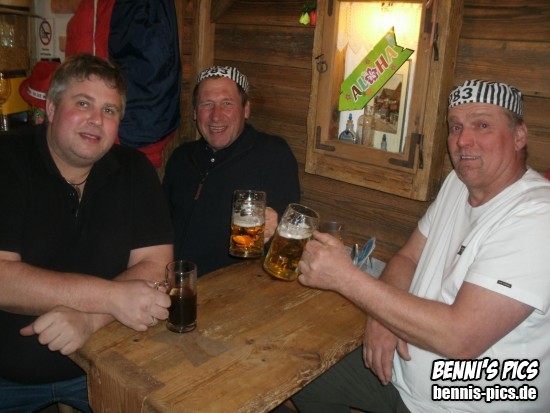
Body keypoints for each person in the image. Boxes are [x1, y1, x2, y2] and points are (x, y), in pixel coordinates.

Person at [291, 80, 550, 413]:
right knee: (301, 369)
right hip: (402, 376)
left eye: (482, 125)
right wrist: (381, 318)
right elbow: (409, 257)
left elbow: (461, 338)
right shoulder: (458, 182)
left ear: (519, 136)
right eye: (455, 127)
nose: (463, 140)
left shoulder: (537, 216)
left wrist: (347, 279)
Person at [0, 54, 174, 413]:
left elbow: (158, 266)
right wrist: (110, 297)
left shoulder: (134, 169)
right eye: (83, 103)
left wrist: (90, 320)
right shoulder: (7, 158)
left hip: (104, 362)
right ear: (51, 108)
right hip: (6, 373)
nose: (97, 119)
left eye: (110, 110)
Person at [163, 66, 300, 276]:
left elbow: (291, 228)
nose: (216, 116)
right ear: (195, 112)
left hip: (236, 287)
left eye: (227, 103)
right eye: (207, 104)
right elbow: (160, 223)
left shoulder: (272, 153)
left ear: (246, 109)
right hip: (177, 281)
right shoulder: (181, 157)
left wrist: (277, 223)